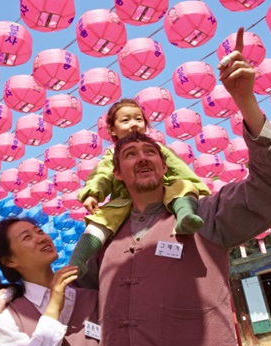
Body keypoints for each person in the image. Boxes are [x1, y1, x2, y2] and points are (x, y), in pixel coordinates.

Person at [0, 27, 271, 346]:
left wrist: (246, 102)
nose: (142, 157)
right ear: (116, 172)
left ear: (165, 167)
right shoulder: (104, 243)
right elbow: (67, 294)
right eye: (130, 154)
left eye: (150, 151)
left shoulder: (205, 215)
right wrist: (10, 291)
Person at [69, 98, 212, 275]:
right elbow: (101, 176)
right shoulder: (111, 156)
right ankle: (78, 259)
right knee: (101, 220)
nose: (134, 124)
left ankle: (185, 216)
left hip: (164, 193)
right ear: (112, 130)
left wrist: (199, 191)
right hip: (123, 203)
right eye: (125, 120)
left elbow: (180, 170)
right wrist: (92, 194)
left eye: (138, 119)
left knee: (181, 186)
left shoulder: (157, 148)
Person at [0, 217, 99, 346]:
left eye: (40, 231)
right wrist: (54, 305)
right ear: (10, 261)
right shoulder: (3, 314)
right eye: (27, 237)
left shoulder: (92, 297)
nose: (41, 238)